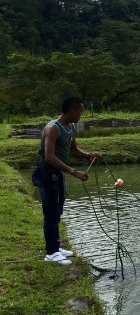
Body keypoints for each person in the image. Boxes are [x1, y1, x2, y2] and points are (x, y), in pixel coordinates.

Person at [32, 96, 100, 265]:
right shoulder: (53, 128)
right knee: (50, 213)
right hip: (47, 173)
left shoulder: (69, 128)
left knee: (58, 210)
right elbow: (49, 157)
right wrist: (73, 171)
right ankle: (51, 253)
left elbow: (73, 149)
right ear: (71, 110)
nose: (81, 114)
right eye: (80, 111)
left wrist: (87, 156)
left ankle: (56, 246)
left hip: (58, 174)